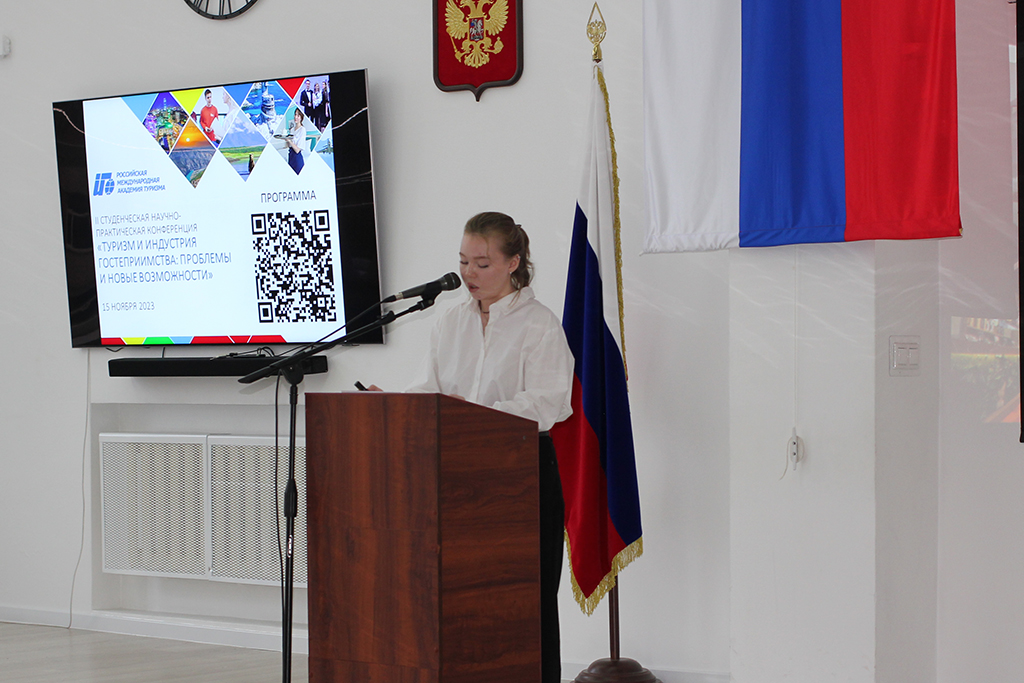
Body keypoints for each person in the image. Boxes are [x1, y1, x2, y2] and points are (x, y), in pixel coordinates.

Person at [380, 212, 573, 683]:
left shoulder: (539, 324)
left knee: (526, 599)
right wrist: (394, 404)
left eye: (482, 263)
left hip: (522, 475)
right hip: (458, 475)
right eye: (464, 261)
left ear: (513, 263)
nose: (469, 273)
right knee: (464, 596)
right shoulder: (450, 322)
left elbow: (550, 402)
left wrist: (476, 415)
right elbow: (430, 389)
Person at [285, 108, 306, 175]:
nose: (295, 117)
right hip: (290, 156)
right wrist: (286, 139)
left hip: (297, 158)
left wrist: (289, 140)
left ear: (301, 118)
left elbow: (297, 150)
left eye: (298, 115)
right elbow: (289, 146)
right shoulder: (292, 130)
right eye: (295, 115)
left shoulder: (302, 130)